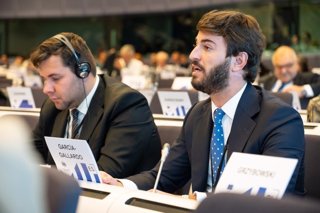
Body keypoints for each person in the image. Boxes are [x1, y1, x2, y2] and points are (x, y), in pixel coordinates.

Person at [101, 10, 305, 199]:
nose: (193, 55)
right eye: (196, 45)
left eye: (207, 47)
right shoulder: (198, 114)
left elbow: (263, 198)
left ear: (238, 61)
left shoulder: (279, 120)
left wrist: (191, 199)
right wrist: (121, 185)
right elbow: (165, 175)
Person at [30, 32, 161, 178]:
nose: (46, 89)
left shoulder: (126, 104)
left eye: (55, 78)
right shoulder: (52, 106)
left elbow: (102, 177)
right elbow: (28, 158)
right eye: (44, 79)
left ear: (83, 71)